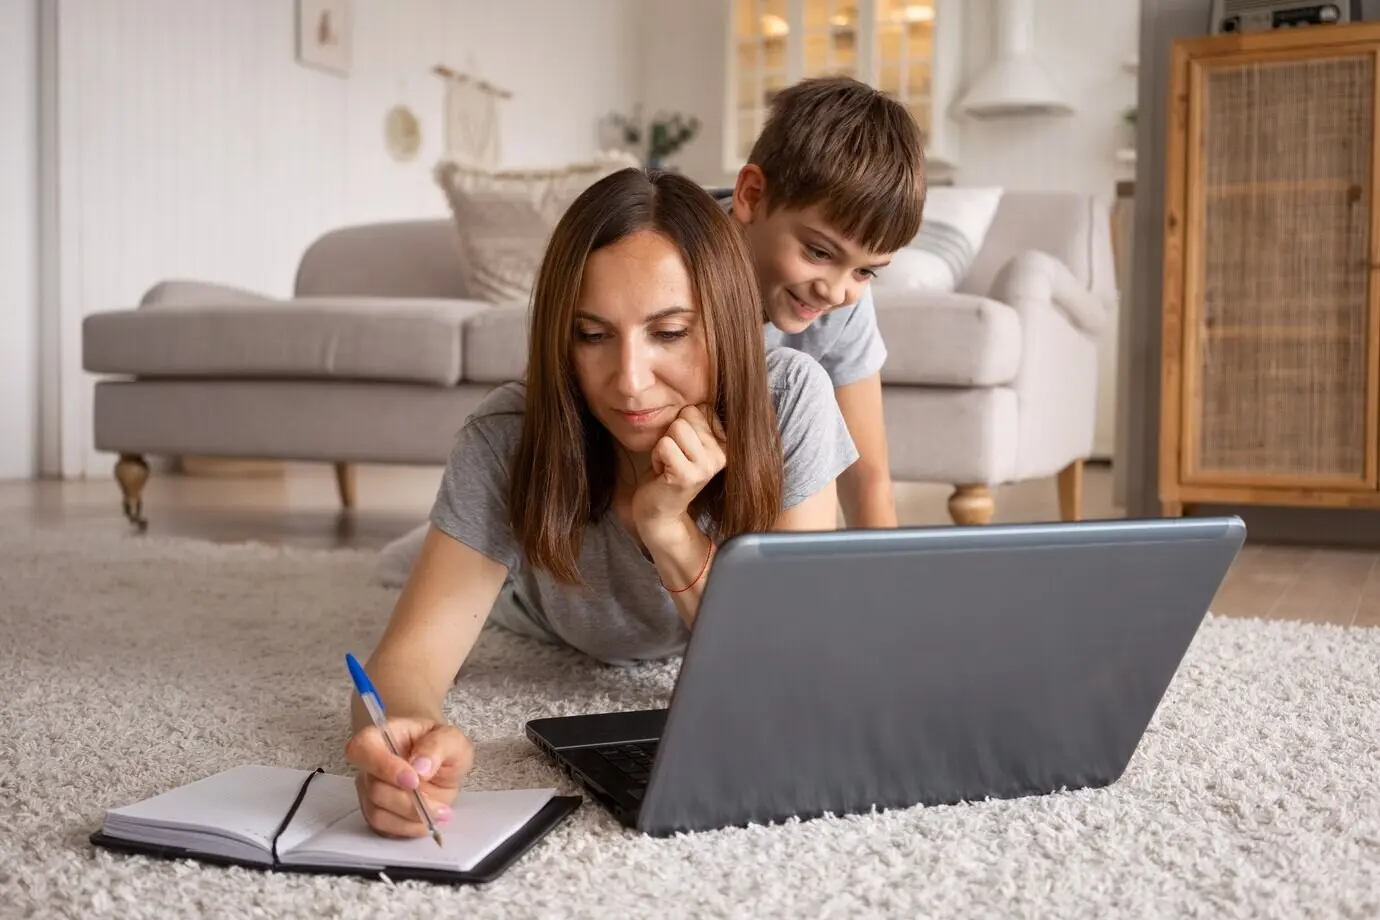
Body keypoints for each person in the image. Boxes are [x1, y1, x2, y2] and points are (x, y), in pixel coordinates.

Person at [344, 167, 858, 839]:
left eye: (670, 332)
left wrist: (665, 526)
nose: (630, 382)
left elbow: (792, 673)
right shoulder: (510, 433)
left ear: (729, 322)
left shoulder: (791, 398)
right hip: (530, 599)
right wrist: (405, 736)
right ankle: (431, 537)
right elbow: (405, 663)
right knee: (398, 563)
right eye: (592, 335)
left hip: (665, 586)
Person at [714, 75, 928, 529]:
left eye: (865, 271)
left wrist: (886, 593)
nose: (835, 291)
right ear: (751, 196)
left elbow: (867, 478)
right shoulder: (671, 271)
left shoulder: (841, 300)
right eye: (819, 252)